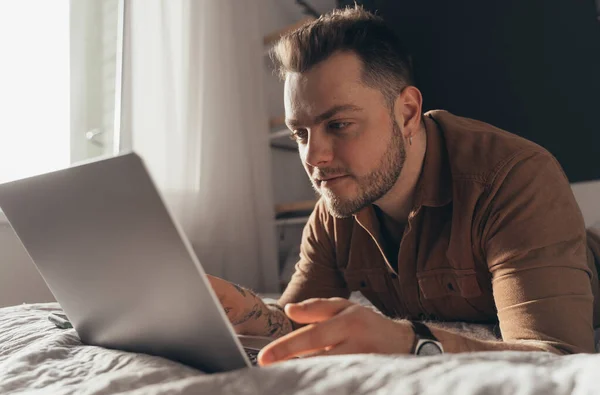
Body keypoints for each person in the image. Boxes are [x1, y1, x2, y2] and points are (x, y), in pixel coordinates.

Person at [207, 6, 600, 366]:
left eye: (339, 125)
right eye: (300, 134)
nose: (313, 158)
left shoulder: (513, 180)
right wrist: (245, 309)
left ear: (408, 113)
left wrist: (411, 342)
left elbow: (557, 356)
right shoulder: (336, 208)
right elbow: (298, 323)